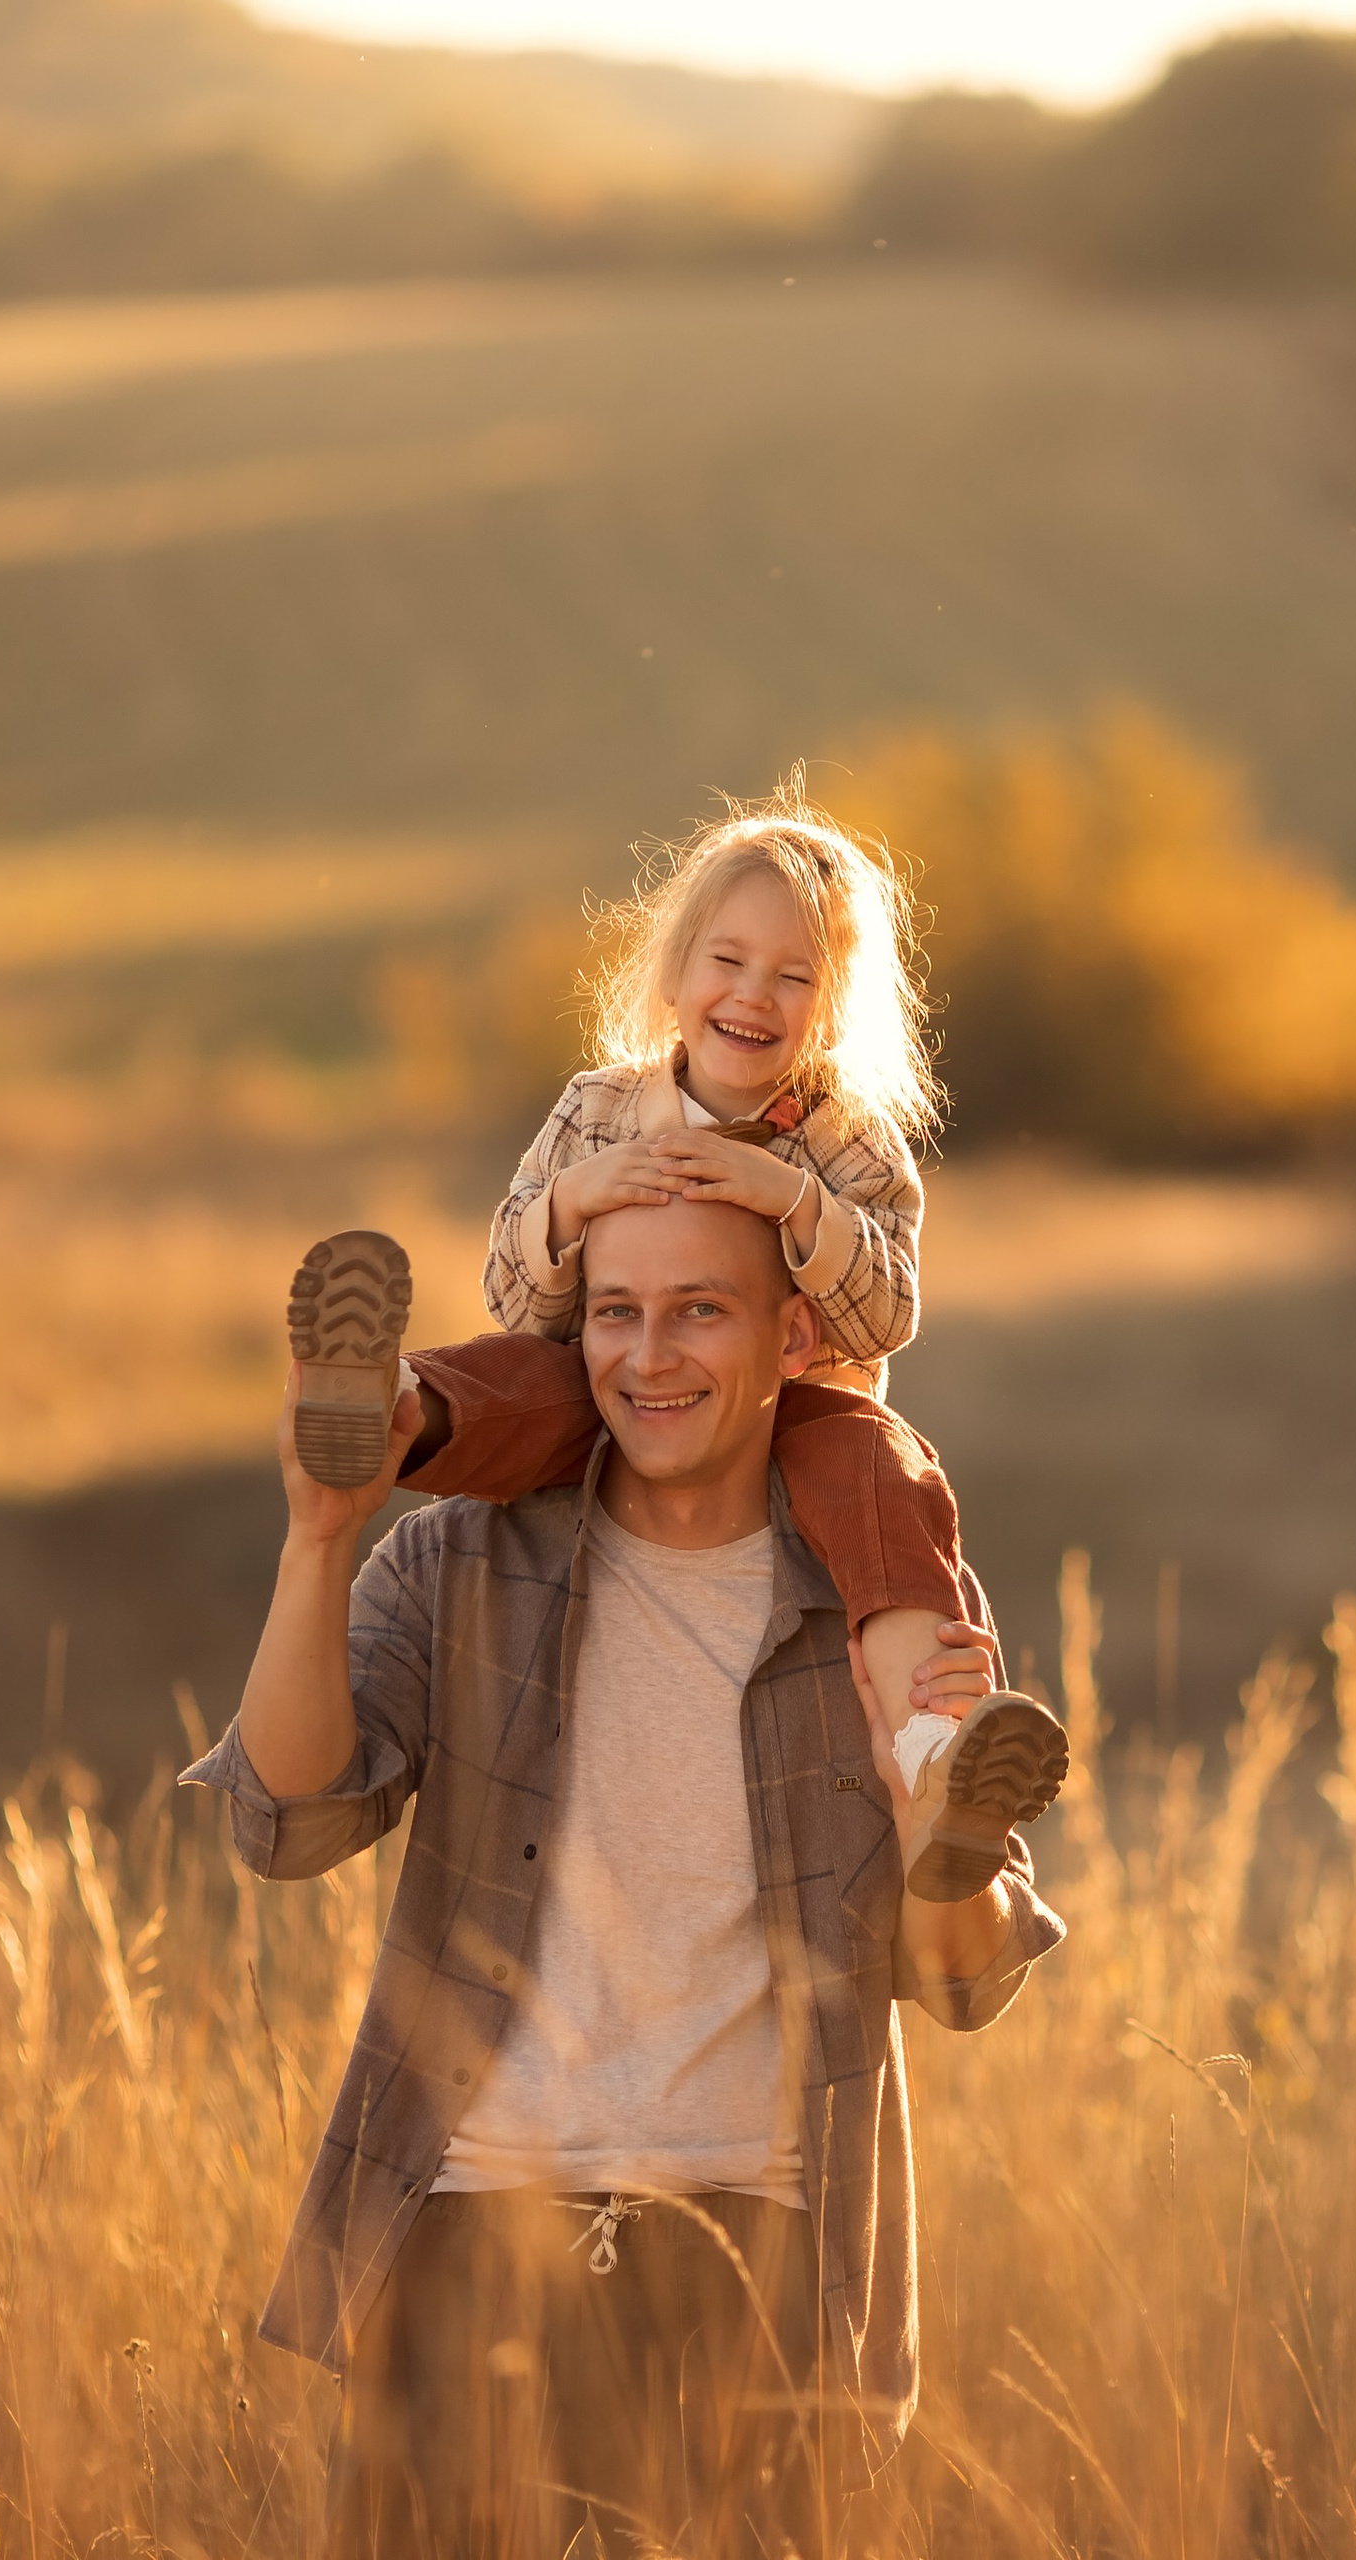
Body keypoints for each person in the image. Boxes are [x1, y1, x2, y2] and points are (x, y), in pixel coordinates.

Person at [187, 1197, 1068, 2556]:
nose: (649, 1357)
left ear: (795, 1335)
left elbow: (963, 1983)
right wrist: (317, 1538)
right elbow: (285, 1823)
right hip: (469, 2224)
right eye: (616, 1313)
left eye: (698, 1311)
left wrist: (916, 1819)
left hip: (756, 2248)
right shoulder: (455, 1558)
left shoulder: (887, 1607)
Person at [321, 780, 1064, 1899]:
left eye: (796, 976)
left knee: (887, 1474)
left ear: (835, 1010)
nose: (753, 994)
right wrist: (577, 1200)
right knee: (517, 1376)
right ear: (674, 976)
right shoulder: (598, 1109)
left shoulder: (849, 1146)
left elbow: (887, 1312)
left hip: (795, 1413)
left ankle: (935, 1760)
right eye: (727, 960)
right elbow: (516, 1295)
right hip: (605, 1383)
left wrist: (790, 1202)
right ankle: (377, 1412)